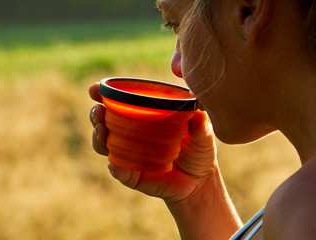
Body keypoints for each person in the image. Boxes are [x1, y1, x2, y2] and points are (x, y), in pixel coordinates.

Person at [89, 0, 316, 239]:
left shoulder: (306, 204)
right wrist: (197, 197)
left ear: (248, 10)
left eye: (175, 24)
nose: (176, 66)